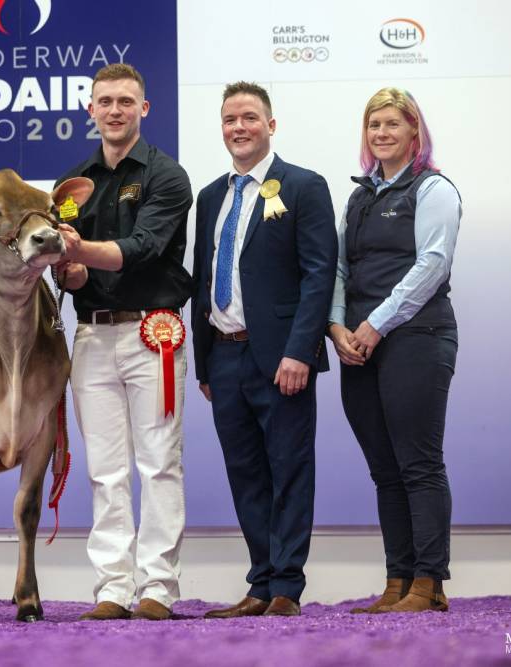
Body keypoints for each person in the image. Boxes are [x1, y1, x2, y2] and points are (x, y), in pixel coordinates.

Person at [191, 82, 337, 618]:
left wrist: (301, 351)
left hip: (282, 359)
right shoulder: (211, 196)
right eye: (230, 119)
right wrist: (204, 364)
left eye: (250, 117)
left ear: (270, 125)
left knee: (289, 470)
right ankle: (259, 583)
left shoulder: (304, 186)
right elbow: (202, 277)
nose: (239, 127)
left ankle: (285, 589)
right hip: (223, 357)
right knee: (246, 474)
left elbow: (319, 274)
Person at [55, 63, 193, 622]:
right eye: (105, 101)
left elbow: (142, 248)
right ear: (90, 109)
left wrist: (76, 250)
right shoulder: (73, 182)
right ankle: (112, 588)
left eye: (126, 101)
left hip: (152, 335)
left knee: (159, 463)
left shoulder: (167, 176)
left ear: (144, 109)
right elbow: (75, 275)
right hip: (92, 335)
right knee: (105, 470)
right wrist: (67, 269)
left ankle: (158, 588)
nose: (114, 110)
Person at [329, 88, 460, 614]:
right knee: (384, 469)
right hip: (359, 344)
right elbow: (340, 267)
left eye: (392, 124)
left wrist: (375, 325)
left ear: (414, 132)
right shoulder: (360, 196)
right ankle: (397, 580)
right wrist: (337, 328)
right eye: (373, 125)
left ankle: (429, 583)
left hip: (416, 337)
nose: (381, 133)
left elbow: (432, 264)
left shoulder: (434, 189)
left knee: (418, 464)